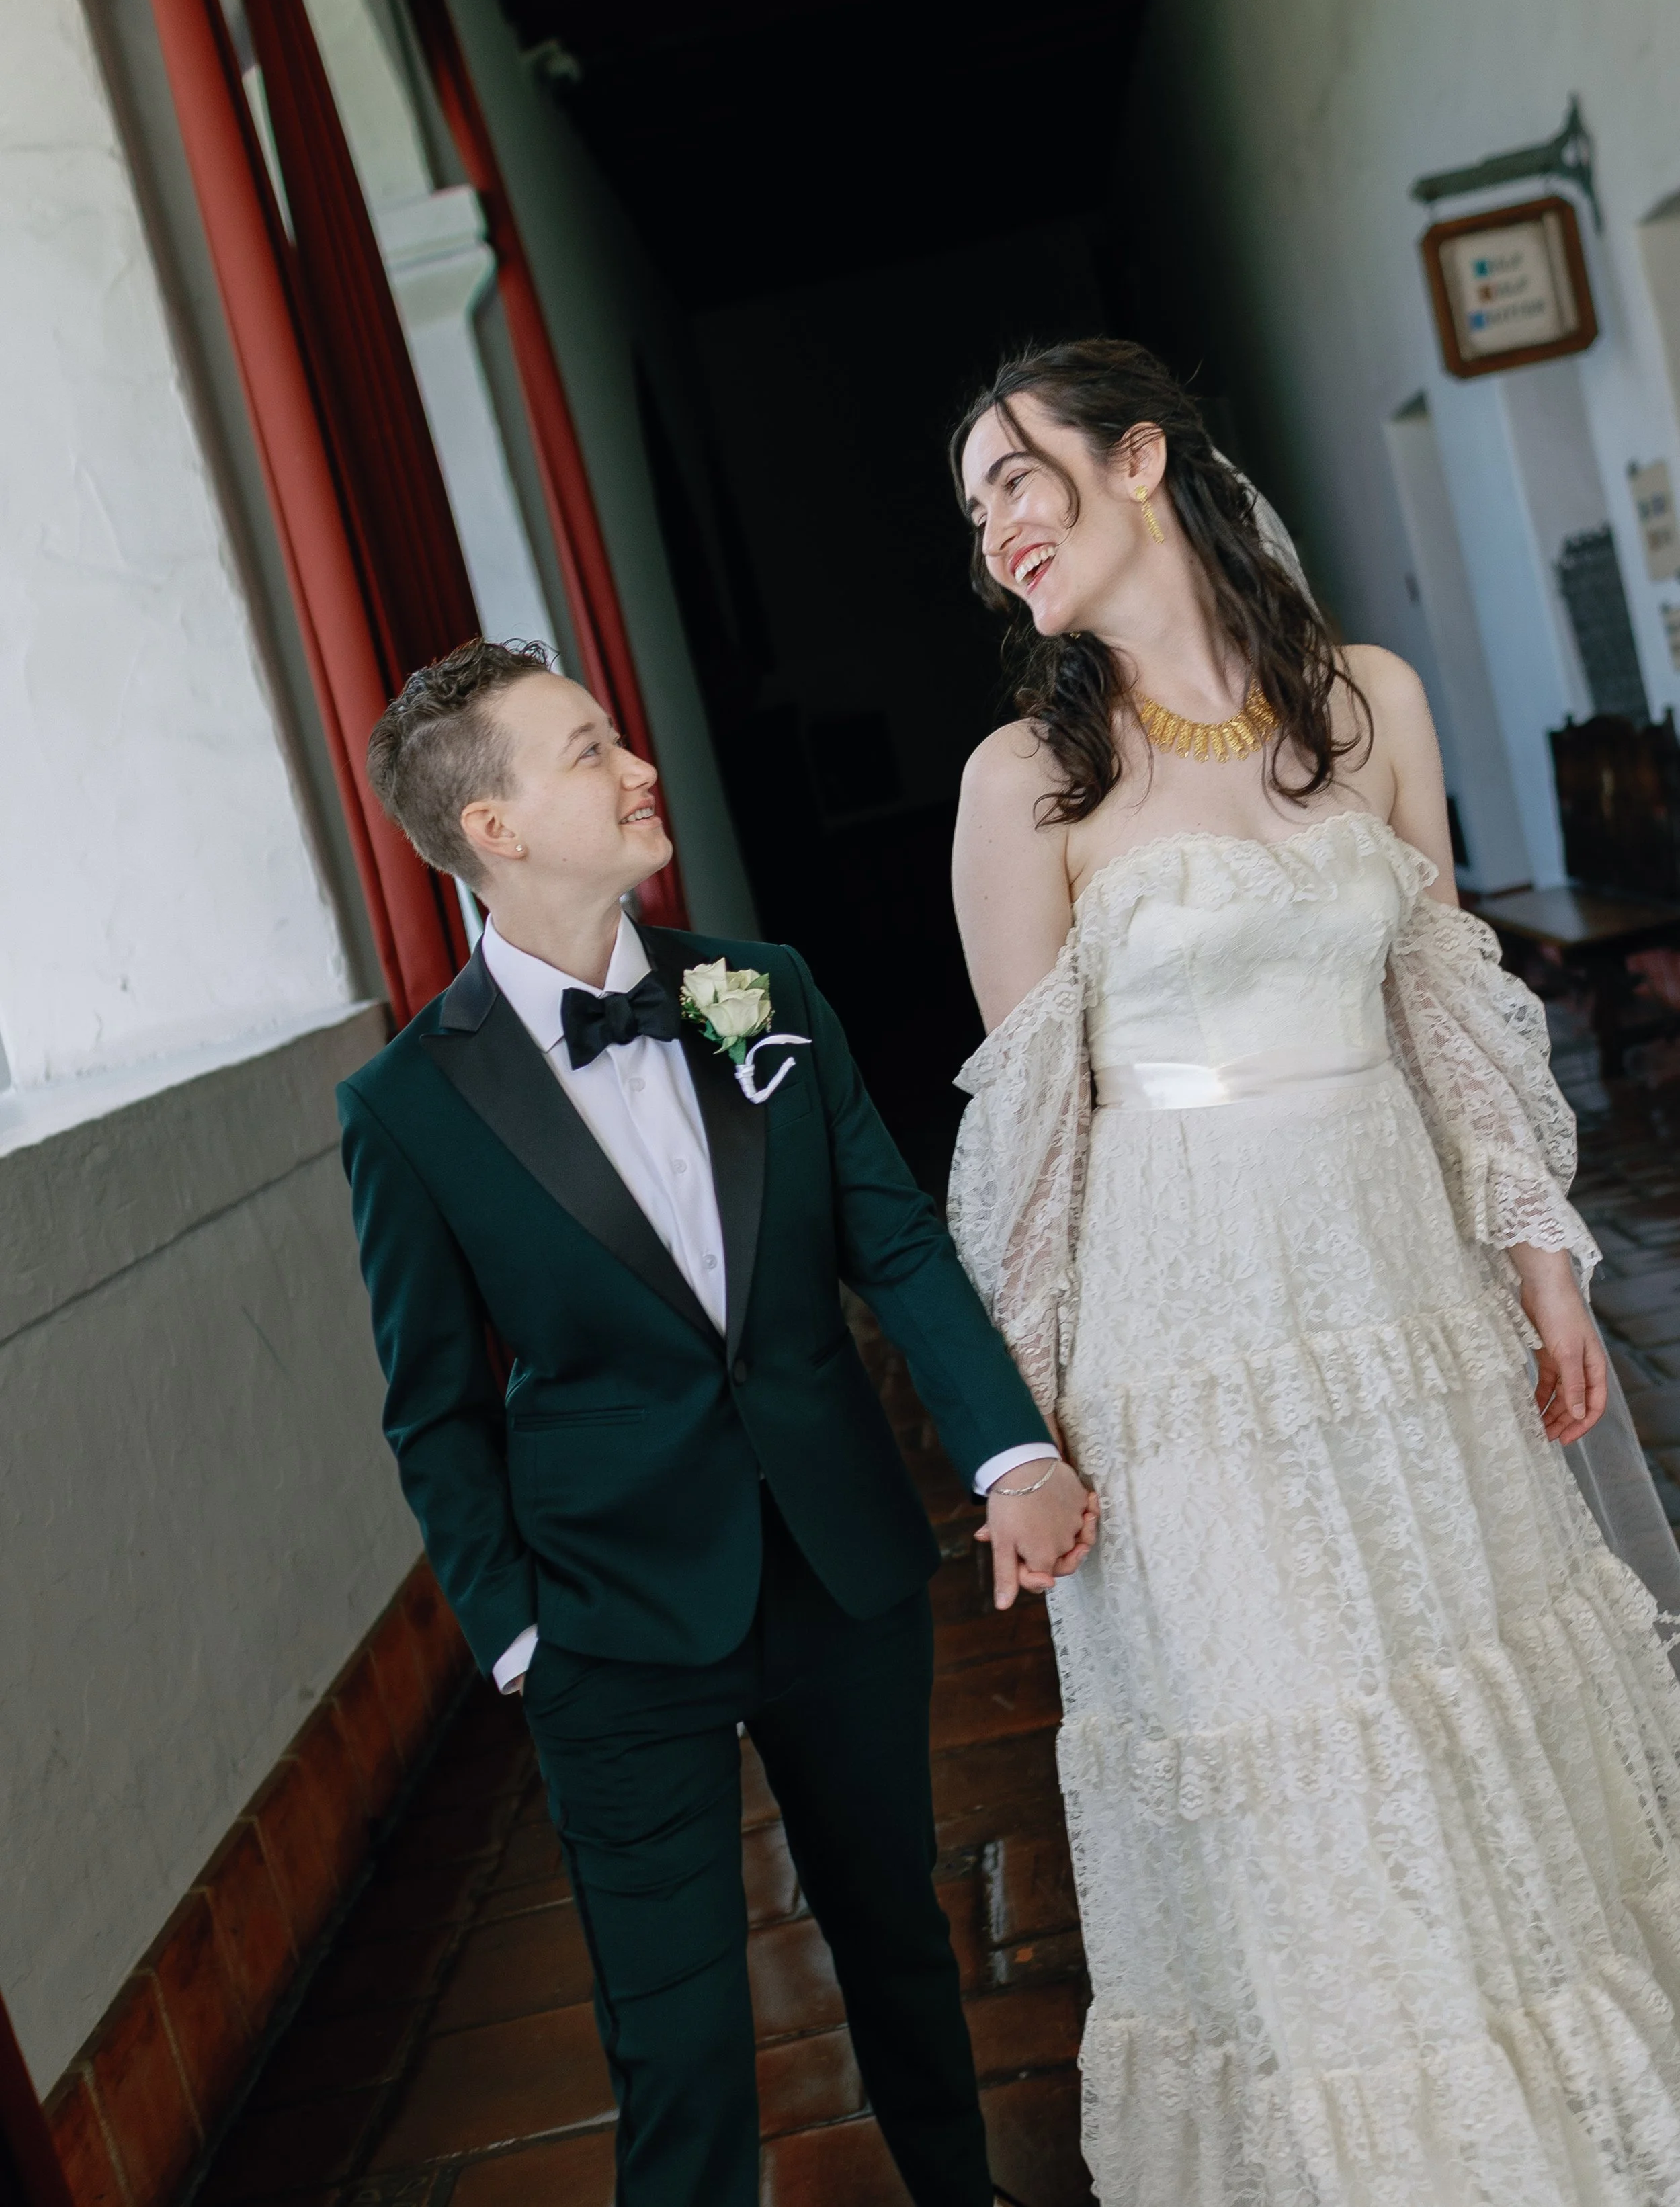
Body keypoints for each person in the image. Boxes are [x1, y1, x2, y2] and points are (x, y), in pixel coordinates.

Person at [947, 339, 1680, 2206]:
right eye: (973, 511)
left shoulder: (1366, 703)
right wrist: (1017, 1433)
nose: (997, 527)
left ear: (1137, 460)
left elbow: (1442, 1004)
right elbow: (1029, 1142)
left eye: (1017, 477)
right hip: (1188, 1329)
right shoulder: (1023, 781)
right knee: (1296, 1718)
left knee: (1463, 1671)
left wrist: (1538, 1263)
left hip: (1401, 1284)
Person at [337, 637, 1096, 2207]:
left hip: (835, 1563)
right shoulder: (406, 1106)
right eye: (587, 750)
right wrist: (520, 1640)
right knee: (675, 2041)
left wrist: (1011, 1451)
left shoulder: (758, 988)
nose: (637, 769)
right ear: (491, 829)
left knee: (899, 1942)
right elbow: (435, 1408)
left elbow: (889, 1240)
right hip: (608, 1618)